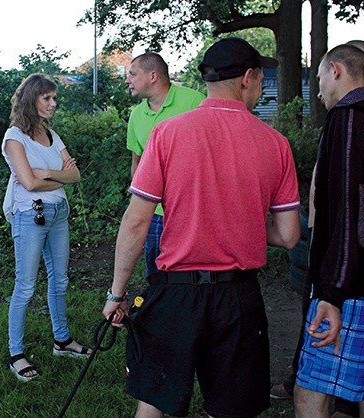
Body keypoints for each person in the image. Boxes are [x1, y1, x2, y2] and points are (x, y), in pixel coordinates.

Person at [102, 37, 301, 417]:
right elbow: (289, 235)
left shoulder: (167, 133)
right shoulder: (275, 144)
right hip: (238, 298)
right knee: (231, 407)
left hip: (175, 292)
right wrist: (240, 224)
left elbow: (136, 221)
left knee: (155, 401)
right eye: (262, 79)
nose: (261, 87)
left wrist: (116, 294)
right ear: (247, 77)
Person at [272, 38, 364, 418]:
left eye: (318, 78)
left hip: (357, 286)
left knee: (310, 387)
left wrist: (332, 292)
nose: (317, 90)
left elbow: (352, 209)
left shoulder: (350, 117)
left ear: (334, 70)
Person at [1, 73, 88, 382]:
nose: (53, 103)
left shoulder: (51, 134)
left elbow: (75, 176)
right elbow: (28, 182)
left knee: (60, 280)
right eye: (47, 98)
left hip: (59, 212)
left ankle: (61, 340)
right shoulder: (15, 137)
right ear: (31, 100)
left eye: (54, 98)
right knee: (25, 286)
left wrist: (46, 173)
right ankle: (16, 353)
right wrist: (55, 175)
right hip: (31, 214)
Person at [125, 52, 205, 279]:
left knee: (193, 277)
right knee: (156, 276)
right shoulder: (136, 116)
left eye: (132, 74)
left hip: (192, 212)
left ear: (152, 76)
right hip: (154, 214)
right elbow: (136, 162)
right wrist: (139, 207)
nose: (127, 80)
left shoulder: (194, 102)